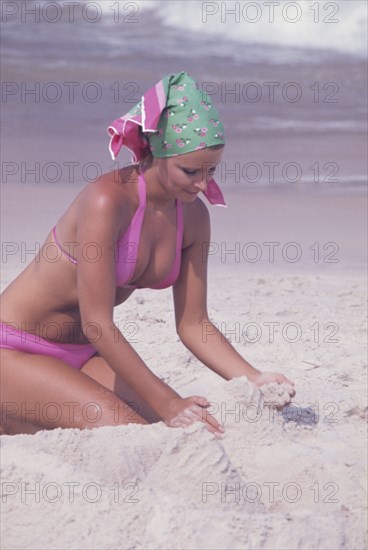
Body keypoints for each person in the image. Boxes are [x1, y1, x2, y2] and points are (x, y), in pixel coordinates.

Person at [0, 71, 295, 437]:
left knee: (185, 429)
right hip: (14, 348)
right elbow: (97, 322)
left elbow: (194, 324)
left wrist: (254, 376)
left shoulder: (194, 216)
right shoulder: (108, 201)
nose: (203, 185)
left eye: (212, 171)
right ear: (158, 151)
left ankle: (18, 417)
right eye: (190, 171)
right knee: (132, 432)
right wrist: (169, 402)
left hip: (82, 354)